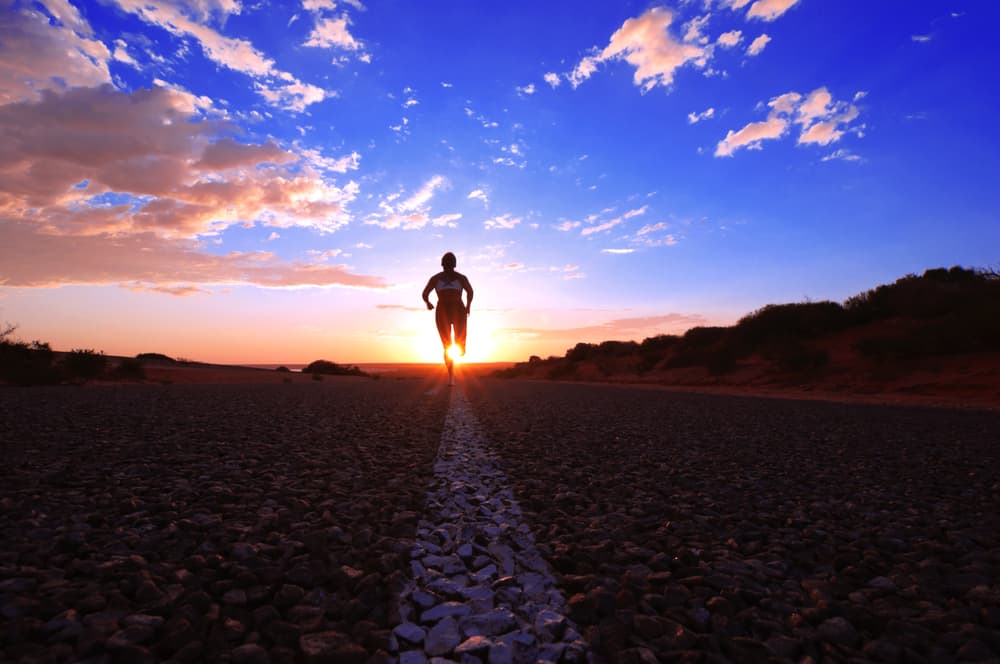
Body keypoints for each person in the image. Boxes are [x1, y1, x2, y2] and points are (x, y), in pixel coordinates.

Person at [422, 252, 474, 386]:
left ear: (454, 264)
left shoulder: (461, 278)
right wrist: (427, 302)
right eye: (447, 263)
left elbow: (470, 291)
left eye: (451, 263)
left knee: (459, 343)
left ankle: (461, 345)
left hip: (458, 309)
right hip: (442, 311)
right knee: (446, 345)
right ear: (443, 264)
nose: (449, 265)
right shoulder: (435, 278)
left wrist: (468, 306)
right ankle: (451, 376)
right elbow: (425, 293)